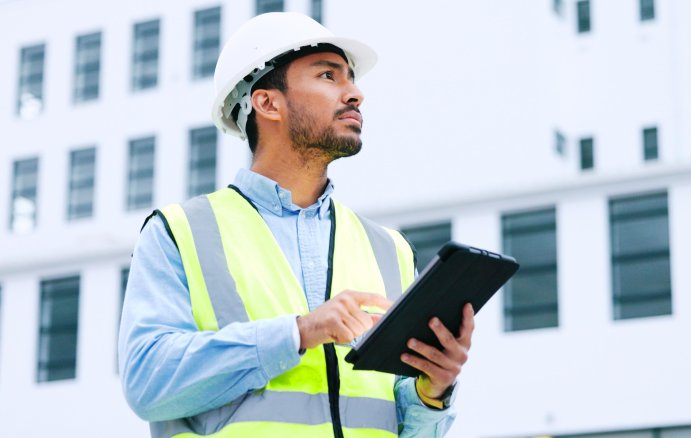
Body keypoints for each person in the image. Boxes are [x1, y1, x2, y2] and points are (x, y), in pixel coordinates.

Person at [119, 12, 475, 438]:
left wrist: (432, 392)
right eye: (329, 76)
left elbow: (405, 426)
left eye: (351, 79)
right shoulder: (180, 232)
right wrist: (299, 332)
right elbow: (148, 384)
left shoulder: (390, 249)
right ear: (268, 103)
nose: (355, 94)